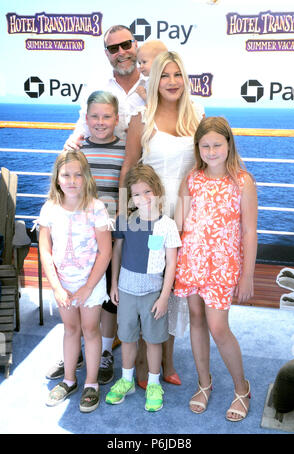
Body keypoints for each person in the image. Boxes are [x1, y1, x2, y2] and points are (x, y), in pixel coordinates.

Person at [47, 24, 146, 383]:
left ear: (135, 46)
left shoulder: (152, 83)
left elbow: (135, 159)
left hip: (121, 214)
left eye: (126, 44)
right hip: (84, 222)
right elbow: (79, 131)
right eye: (113, 47)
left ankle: (105, 350)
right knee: (79, 280)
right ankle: (75, 354)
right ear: (107, 52)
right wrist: (74, 141)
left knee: (109, 287)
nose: (120, 51)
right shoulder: (98, 89)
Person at [119, 50, 205, 388]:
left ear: (185, 79)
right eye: (165, 76)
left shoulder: (197, 116)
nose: (171, 82)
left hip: (186, 217)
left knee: (174, 289)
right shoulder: (142, 118)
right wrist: (127, 213)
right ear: (155, 81)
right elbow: (128, 167)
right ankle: (141, 362)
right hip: (150, 218)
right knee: (149, 282)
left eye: (177, 75)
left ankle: (167, 362)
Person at [174, 116, 257, 421]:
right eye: (205, 145)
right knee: (196, 318)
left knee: (218, 327)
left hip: (223, 267)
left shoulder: (243, 182)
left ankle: (241, 387)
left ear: (229, 144)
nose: (211, 151)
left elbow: (249, 231)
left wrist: (247, 274)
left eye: (217, 145)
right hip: (191, 262)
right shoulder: (192, 178)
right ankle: (204, 382)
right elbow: (180, 223)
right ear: (198, 148)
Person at [39, 150, 112, 412]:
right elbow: (45, 250)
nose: (71, 180)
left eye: (77, 175)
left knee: (91, 330)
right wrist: (57, 287)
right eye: (66, 174)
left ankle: (91, 383)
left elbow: (106, 251)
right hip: (64, 285)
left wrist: (88, 287)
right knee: (70, 330)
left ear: (86, 178)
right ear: (57, 178)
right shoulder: (50, 208)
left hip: (89, 285)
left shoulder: (97, 208)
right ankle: (69, 379)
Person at [105, 164, 181, 411]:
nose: (143, 198)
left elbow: (171, 264)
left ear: (157, 191)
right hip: (126, 291)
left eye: (147, 192)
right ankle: (126, 380)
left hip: (152, 294)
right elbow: (117, 251)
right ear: (130, 197)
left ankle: (154, 384)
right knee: (127, 337)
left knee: (153, 340)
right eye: (136, 194)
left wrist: (164, 297)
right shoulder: (125, 221)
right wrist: (114, 283)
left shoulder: (167, 225)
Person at [81, 90, 125, 385]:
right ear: (86, 119)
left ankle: (106, 349)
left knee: (110, 295)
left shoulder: (125, 151)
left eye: (106, 116)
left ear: (116, 119)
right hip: (83, 239)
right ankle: (83, 345)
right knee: (83, 291)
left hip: (111, 237)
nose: (100, 122)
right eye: (95, 116)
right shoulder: (78, 151)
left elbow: (128, 194)